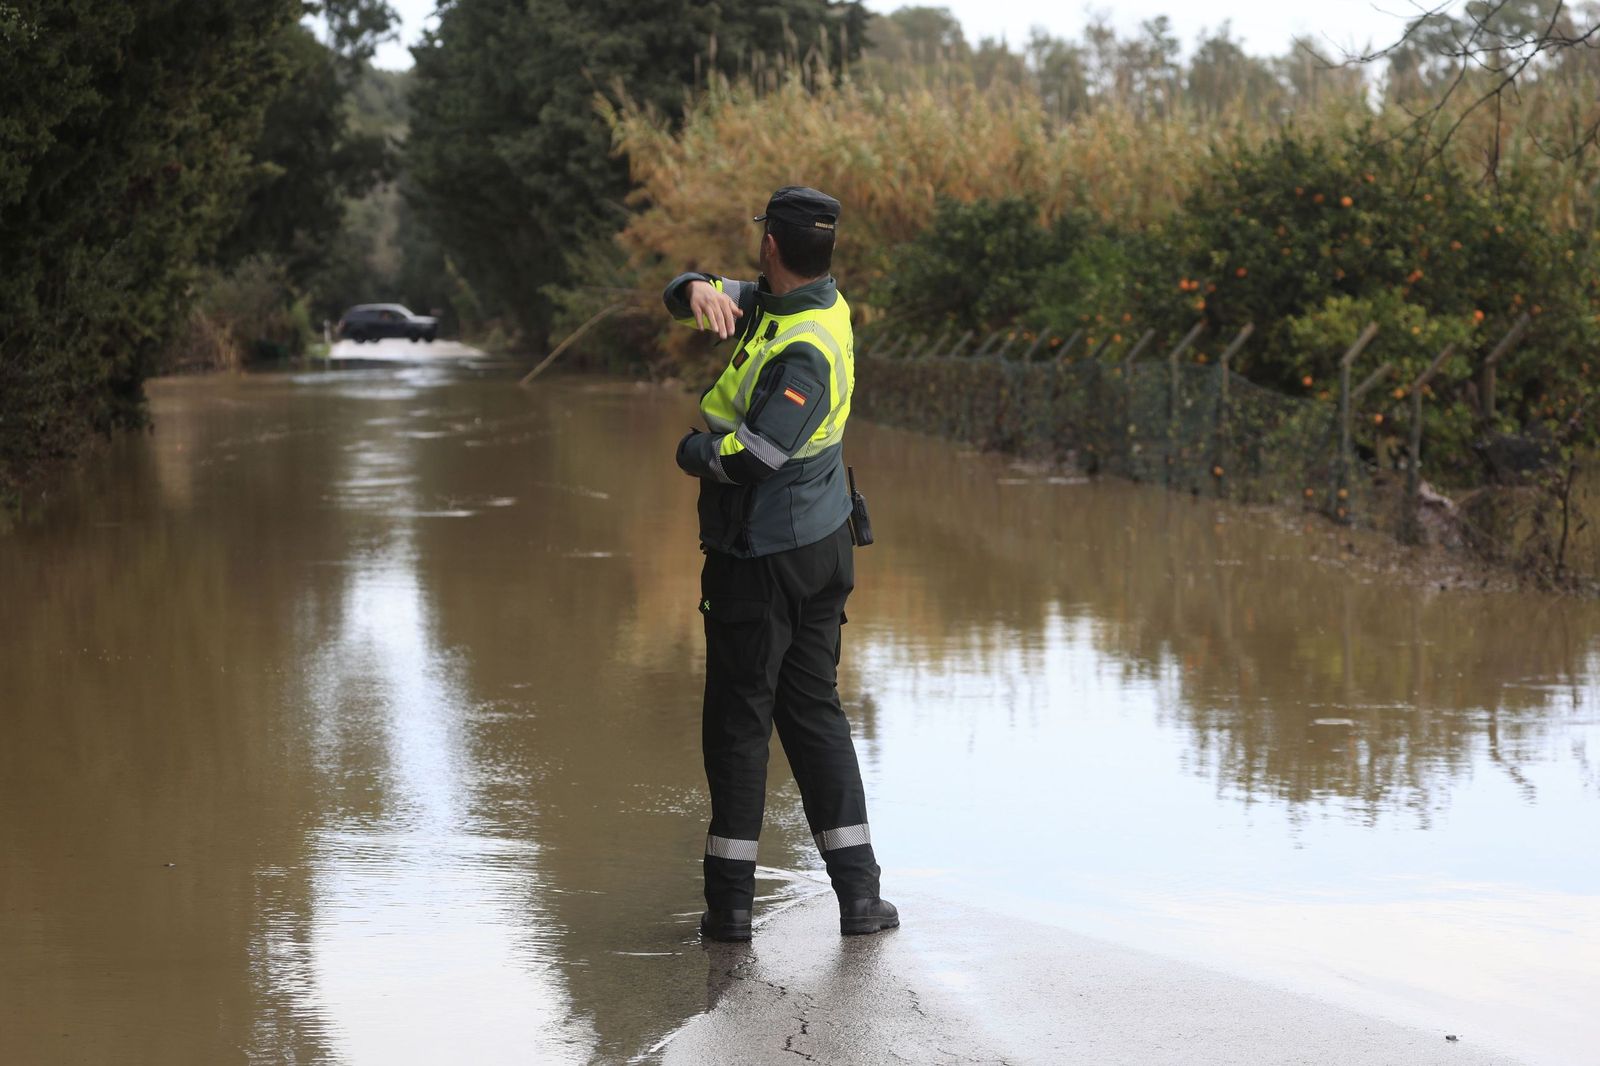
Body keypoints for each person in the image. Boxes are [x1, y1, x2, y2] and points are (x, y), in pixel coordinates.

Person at [663, 186, 897, 942]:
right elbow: (695, 293)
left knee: (738, 724)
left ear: (771, 246)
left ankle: (729, 912)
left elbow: (758, 455)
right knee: (813, 713)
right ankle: (861, 899)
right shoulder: (812, 303)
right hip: (824, 547)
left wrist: (694, 453)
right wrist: (693, 286)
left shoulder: (801, 346)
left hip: (763, 559)